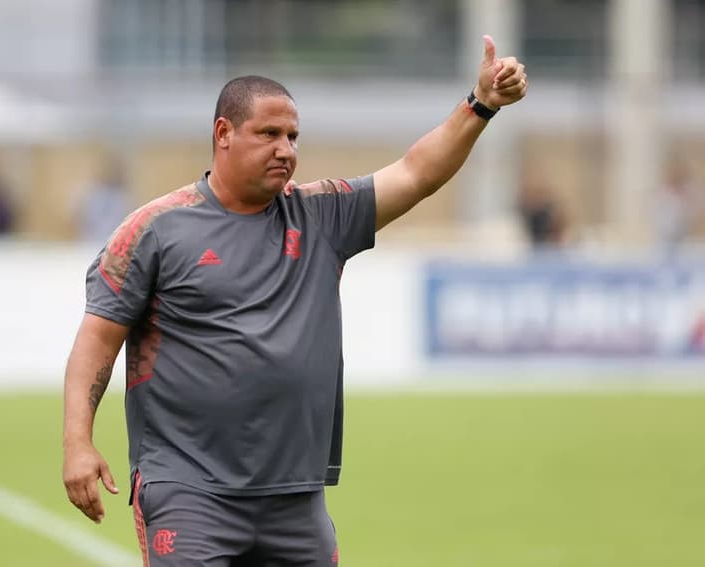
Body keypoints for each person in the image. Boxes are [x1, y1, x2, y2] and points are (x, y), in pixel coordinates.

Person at [63, 35, 527, 566]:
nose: (287, 149)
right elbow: (97, 340)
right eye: (269, 134)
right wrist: (78, 442)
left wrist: (481, 103)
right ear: (223, 135)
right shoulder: (155, 230)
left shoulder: (321, 215)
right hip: (189, 490)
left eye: (293, 136)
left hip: (295, 499)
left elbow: (416, 172)